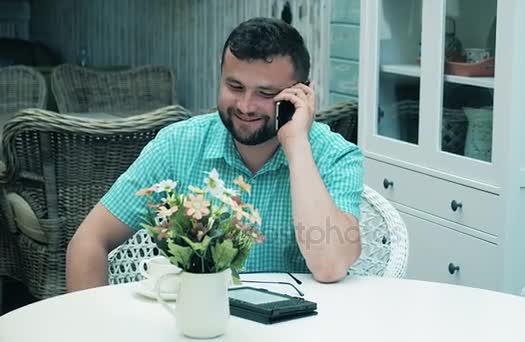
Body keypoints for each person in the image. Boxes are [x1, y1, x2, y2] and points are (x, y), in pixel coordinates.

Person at [66, 17, 363, 291]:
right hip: (197, 324)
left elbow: (330, 265)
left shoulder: (336, 155)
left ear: (301, 94)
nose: (246, 106)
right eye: (234, 86)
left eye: (266, 93)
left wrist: (296, 144)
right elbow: (88, 241)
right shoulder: (177, 145)